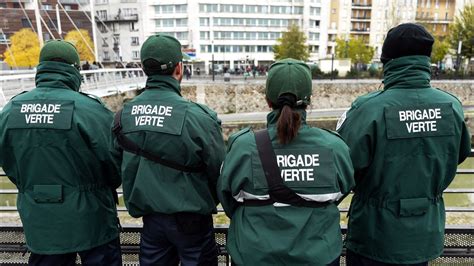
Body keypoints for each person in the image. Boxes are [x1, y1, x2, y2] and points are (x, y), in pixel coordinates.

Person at [336, 23, 471, 265]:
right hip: (423, 234)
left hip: (374, 235)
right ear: (426, 60)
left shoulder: (368, 109)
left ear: (387, 61)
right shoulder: (451, 107)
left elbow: (343, 165)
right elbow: (459, 154)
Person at [218, 58, 355, 265]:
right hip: (318, 255)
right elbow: (341, 191)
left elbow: (227, 196)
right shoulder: (334, 147)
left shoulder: (243, 146)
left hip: (254, 254)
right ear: (309, 100)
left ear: (268, 100)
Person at [0, 40, 122, 265]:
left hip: (40, 218)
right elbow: (114, 164)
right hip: (92, 217)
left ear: (41, 68)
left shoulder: (10, 111)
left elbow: (8, 160)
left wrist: (32, 186)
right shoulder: (91, 111)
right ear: (75, 70)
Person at [111, 34, 225, 266]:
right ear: (179, 68)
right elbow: (219, 172)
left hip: (151, 219)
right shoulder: (199, 117)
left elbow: (114, 166)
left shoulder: (123, 116)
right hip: (193, 218)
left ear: (144, 68)